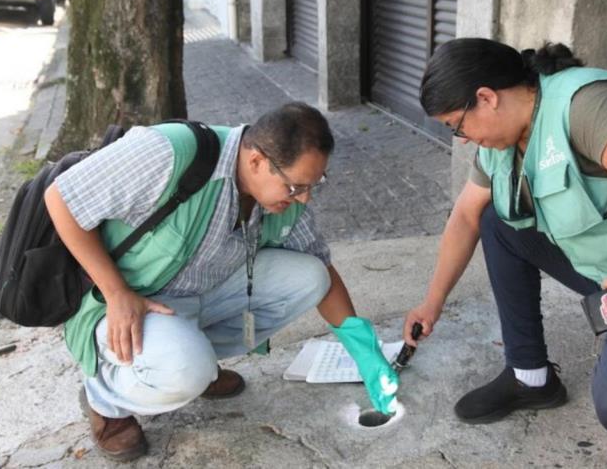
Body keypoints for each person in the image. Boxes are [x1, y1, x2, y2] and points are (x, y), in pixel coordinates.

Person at [402, 38, 607, 445]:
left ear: (486, 98)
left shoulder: (586, 103)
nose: (462, 138)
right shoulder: (504, 142)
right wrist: (432, 302)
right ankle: (529, 377)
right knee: (497, 220)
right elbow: (465, 216)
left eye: (457, 125)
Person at [45, 102, 399, 461]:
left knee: (311, 276)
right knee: (184, 370)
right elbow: (61, 198)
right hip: (126, 304)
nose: (303, 199)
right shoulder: (170, 151)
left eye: (313, 185)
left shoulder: (280, 198)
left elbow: (321, 266)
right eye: (295, 187)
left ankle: (194, 356)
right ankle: (104, 399)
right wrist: (116, 292)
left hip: (197, 294)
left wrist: (364, 351)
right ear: (257, 161)